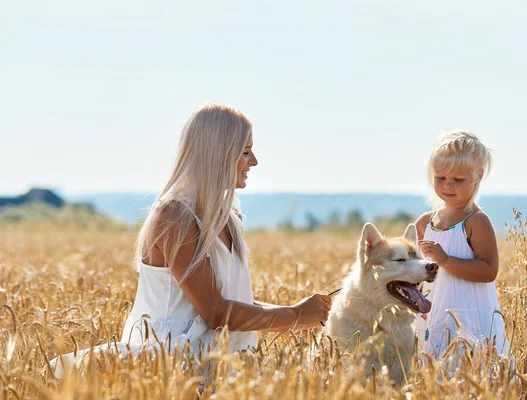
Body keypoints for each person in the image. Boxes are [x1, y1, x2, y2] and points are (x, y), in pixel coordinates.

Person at [51, 104, 331, 377]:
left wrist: (303, 314)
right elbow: (214, 312)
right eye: (245, 152)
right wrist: (295, 315)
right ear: (218, 154)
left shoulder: (229, 216)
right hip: (163, 372)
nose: (254, 161)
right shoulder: (174, 215)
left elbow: (231, 303)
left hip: (216, 370)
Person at [414, 131, 509, 361]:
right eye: (440, 178)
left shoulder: (476, 221)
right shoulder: (425, 223)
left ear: (478, 176)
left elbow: (488, 271)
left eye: (458, 180)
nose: (448, 186)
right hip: (432, 309)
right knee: (431, 365)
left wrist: (445, 261)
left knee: (469, 363)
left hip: (469, 313)